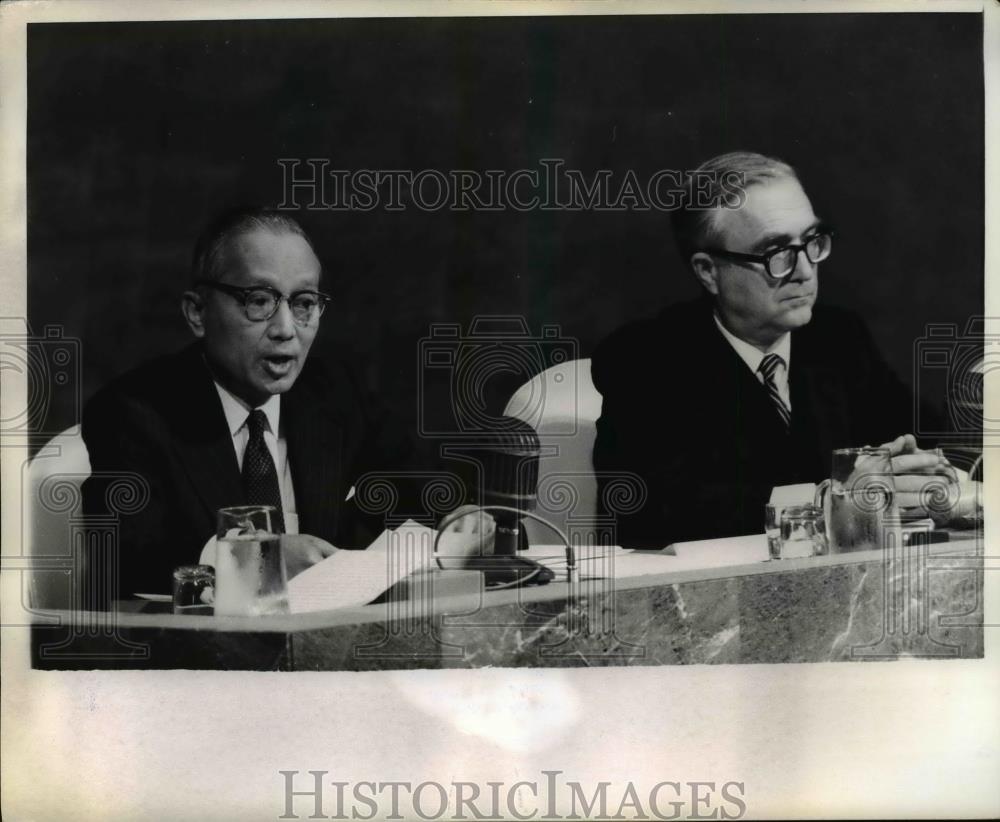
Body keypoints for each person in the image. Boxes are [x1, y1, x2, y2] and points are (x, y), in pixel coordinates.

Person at [591, 151, 966, 549]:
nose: (805, 270)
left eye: (812, 242)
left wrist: (920, 469)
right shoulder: (645, 359)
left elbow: (919, 437)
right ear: (708, 271)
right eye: (775, 253)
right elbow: (658, 511)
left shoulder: (838, 337)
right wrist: (835, 500)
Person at [81, 208, 446, 601]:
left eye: (304, 303)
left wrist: (458, 520)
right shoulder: (132, 412)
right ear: (197, 312)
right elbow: (126, 554)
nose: (286, 329)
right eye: (258, 300)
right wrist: (255, 560)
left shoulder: (335, 394)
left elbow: (424, 486)